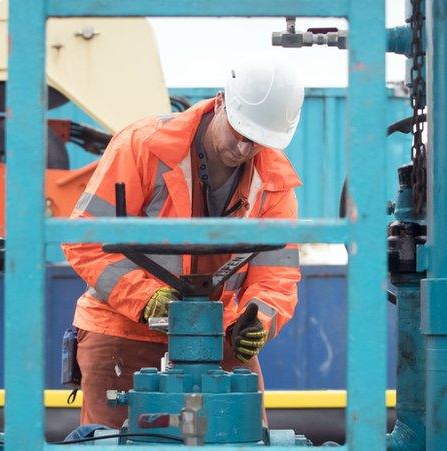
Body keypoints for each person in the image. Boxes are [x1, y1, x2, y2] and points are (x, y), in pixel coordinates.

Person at [63, 55, 305, 427]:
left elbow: (277, 278)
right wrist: (144, 298)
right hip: (123, 329)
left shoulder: (275, 184)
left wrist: (258, 321)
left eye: (257, 142)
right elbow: (86, 240)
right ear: (221, 101)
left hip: (216, 333)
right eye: (240, 133)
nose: (244, 150)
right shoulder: (143, 146)